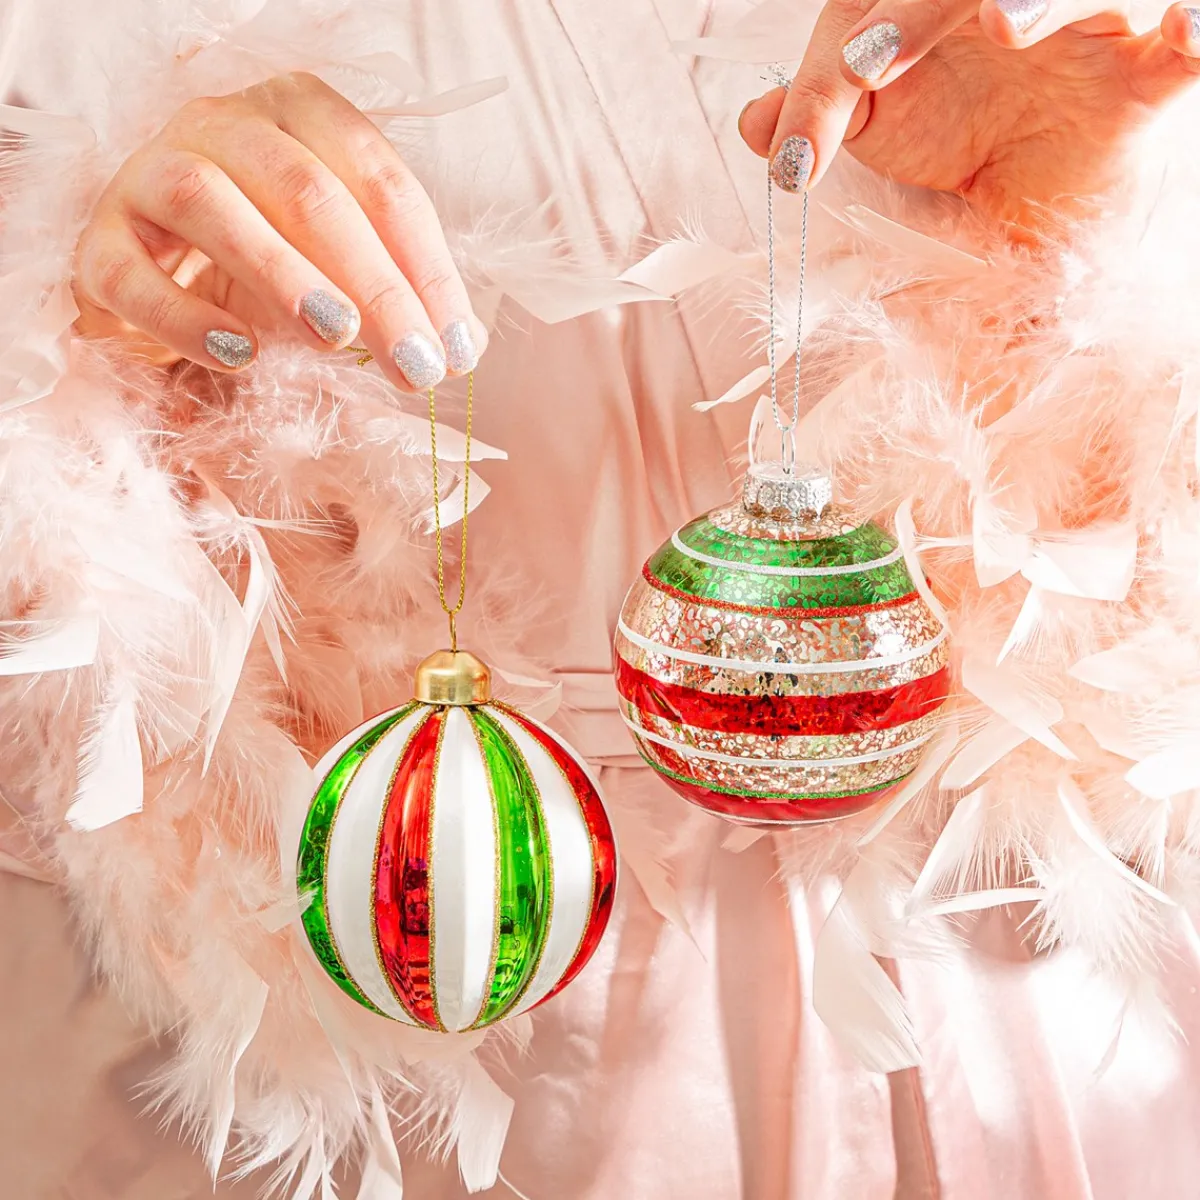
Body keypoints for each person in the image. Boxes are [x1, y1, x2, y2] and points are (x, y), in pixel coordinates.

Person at [2, 1, 1199, 1197]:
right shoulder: (72, 34)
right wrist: (94, 409)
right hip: (478, 997)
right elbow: (69, 756)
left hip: (1040, 1000)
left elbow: (1129, 654)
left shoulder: (1074, 27)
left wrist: (1063, 241)